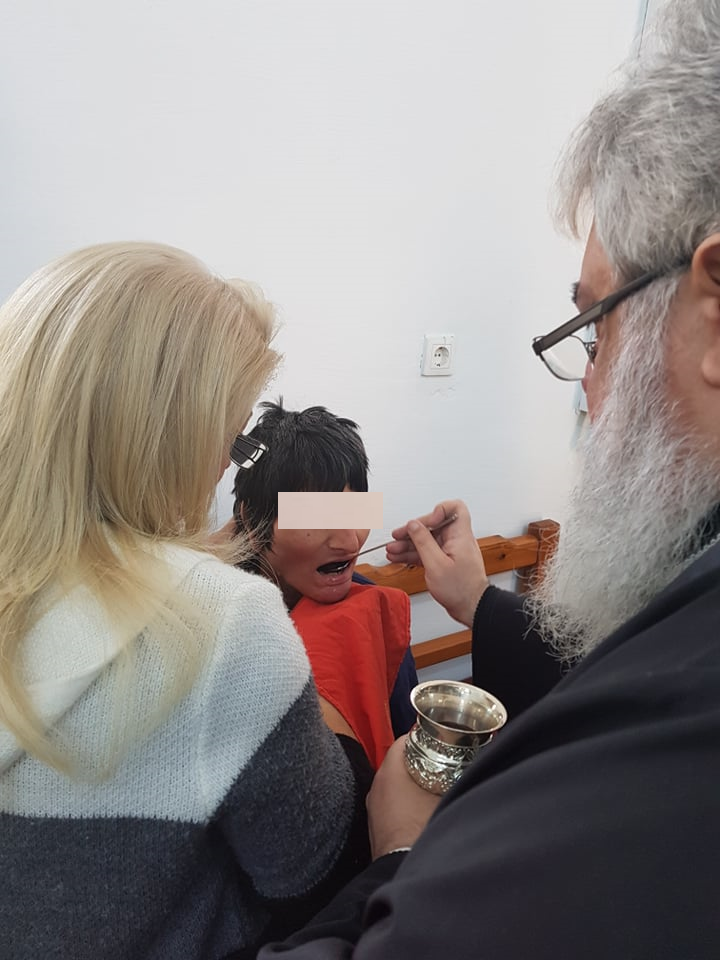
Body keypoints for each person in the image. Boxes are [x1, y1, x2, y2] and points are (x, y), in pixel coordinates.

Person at [259, 0, 720, 956]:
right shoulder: (250, 636)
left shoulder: (378, 616)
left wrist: (398, 856)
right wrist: (474, 601)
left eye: (592, 329)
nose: (587, 387)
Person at [0, 242, 372, 960]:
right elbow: (316, 874)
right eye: (227, 440)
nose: (217, 467)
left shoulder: (361, 607)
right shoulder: (227, 625)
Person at [232, 399, 417, 769]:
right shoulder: (224, 628)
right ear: (252, 522)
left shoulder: (371, 610)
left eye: (355, 511)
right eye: (316, 516)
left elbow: (406, 737)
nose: (349, 542)